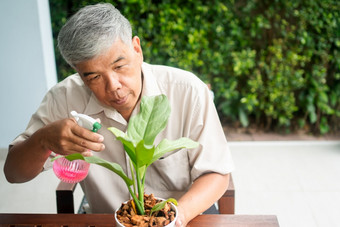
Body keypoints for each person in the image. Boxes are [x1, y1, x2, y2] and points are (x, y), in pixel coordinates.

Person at [4, 3, 234, 226]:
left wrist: (175, 219)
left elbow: (217, 173)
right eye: (93, 77)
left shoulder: (187, 91)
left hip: (185, 216)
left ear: (137, 48)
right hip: (106, 219)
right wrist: (43, 139)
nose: (113, 86)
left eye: (119, 66)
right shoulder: (64, 98)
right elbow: (13, 173)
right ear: (79, 74)